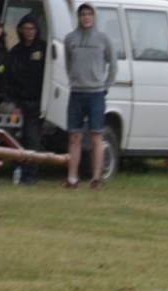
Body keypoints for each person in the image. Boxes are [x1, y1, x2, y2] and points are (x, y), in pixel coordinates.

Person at [62, 3, 116, 190]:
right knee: (74, 136)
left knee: (96, 137)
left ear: (94, 17)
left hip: (96, 95)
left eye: (89, 14)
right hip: (76, 93)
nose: (86, 18)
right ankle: (72, 179)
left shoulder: (103, 39)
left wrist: (105, 87)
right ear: (78, 17)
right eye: (83, 14)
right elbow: (68, 63)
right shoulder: (70, 39)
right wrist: (75, 80)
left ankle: (96, 179)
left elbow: (113, 65)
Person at [3, 15, 47, 184]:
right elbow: (8, 77)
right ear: (20, 30)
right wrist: (10, 99)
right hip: (18, 101)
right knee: (15, 138)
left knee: (33, 138)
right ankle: (17, 170)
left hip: (36, 101)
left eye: (32, 28)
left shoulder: (43, 49)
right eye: (26, 29)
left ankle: (30, 175)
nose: (29, 32)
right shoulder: (16, 51)